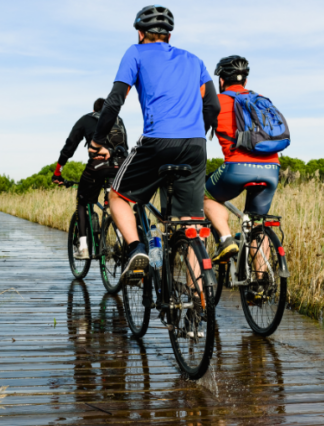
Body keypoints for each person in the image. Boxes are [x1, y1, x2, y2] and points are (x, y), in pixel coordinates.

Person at [89, 5, 220, 278]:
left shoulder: (135, 52)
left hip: (158, 141)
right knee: (190, 224)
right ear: (169, 36)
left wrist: (98, 140)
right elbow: (213, 105)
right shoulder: (194, 60)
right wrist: (196, 132)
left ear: (140, 33)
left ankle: (137, 248)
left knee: (117, 195)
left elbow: (115, 101)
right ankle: (201, 298)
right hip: (196, 145)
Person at [204, 55, 281, 262]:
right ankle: (261, 285)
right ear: (245, 81)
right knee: (258, 224)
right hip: (273, 169)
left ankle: (226, 239)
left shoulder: (216, 102)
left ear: (221, 81)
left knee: (204, 195)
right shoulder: (261, 101)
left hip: (237, 167)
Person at [52, 98, 128, 259]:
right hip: (121, 166)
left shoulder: (86, 119)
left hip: (99, 166)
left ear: (94, 110)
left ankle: (84, 247)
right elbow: (124, 147)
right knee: (117, 201)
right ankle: (123, 239)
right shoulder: (118, 120)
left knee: (82, 200)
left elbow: (69, 147)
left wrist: (58, 172)